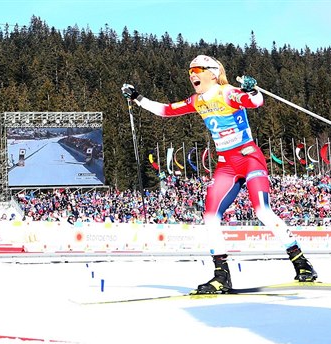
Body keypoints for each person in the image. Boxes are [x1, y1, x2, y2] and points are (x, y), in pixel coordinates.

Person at [121, 54, 317, 294]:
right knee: (210, 216)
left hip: (249, 158)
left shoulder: (227, 92)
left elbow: (255, 102)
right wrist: (137, 97)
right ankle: (221, 275)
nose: (192, 73)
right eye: (190, 70)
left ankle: (301, 262)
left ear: (213, 73)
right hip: (226, 165)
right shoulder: (197, 100)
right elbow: (165, 110)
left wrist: (252, 90)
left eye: (198, 69)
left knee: (262, 210)